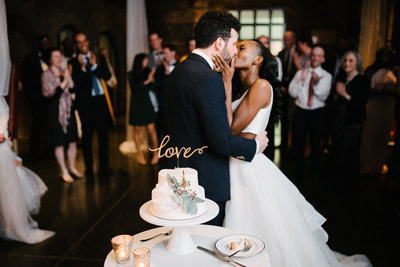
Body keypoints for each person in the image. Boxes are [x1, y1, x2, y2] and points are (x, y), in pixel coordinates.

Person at [214, 39, 371, 267]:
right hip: (238, 162)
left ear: (258, 60)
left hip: (248, 167)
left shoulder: (261, 86)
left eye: (242, 48)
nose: (235, 51)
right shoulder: (245, 89)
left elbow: (231, 128)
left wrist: (226, 82)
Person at [163, 11, 268, 226]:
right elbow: (220, 140)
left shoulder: (177, 72)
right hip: (204, 183)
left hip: (175, 174)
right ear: (219, 43)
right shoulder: (209, 79)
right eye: (234, 43)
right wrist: (255, 146)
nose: (234, 50)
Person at [0, 97, 55, 244]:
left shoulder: (2, 100)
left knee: (8, 190)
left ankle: (9, 226)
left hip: (3, 150)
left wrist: (6, 138)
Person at [69, 33, 111, 179]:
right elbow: (75, 85)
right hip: (85, 104)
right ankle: (89, 169)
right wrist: (83, 68)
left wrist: (93, 66)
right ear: (77, 45)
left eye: (84, 41)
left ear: (88, 42)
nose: (82, 44)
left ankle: (104, 168)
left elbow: (107, 76)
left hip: (101, 101)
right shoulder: (73, 62)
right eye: (79, 43)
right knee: (86, 138)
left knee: (103, 136)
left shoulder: (99, 57)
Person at [289, 46, 332, 183]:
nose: (315, 58)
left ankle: (315, 172)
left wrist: (315, 81)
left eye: (319, 55)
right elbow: (292, 93)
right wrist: (302, 80)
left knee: (316, 143)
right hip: (301, 111)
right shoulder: (300, 73)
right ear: (311, 56)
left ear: (323, 59)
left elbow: (322, 95)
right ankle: (298, 171)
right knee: (298, 143)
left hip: (317, 113)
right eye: (313, 55)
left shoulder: (326, 76)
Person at [330, 51, 370, 191]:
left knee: (351, 152)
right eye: (345, 60)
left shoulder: (363, 80)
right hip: (339, 120)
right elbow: (334, 101)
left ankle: (350, 185)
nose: (347, 63)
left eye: (351, 61)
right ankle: (338, 182)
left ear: (357, 64)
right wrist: (336, 96)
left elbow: (360, 103)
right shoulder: (341, 78)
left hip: (353, 121)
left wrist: (345, 95)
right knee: (338, 150)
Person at [41, 48, 82, 183]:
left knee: (73, 141)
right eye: (55, 57)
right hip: (55, 112)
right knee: (59, 143)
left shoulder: (65, 71)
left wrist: (68, 77)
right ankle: (63, 170)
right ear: (50, 59)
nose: (59, 59)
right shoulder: (46, 75)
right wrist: (64, 80)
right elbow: (49, 94)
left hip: (68, 111)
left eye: (60, 56)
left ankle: (72, 167)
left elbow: (72, 89)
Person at [360, 47, 398, 175]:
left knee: (382, 137)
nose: (385, 58)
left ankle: (378, 165)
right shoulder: (370, 71)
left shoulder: (395, 71)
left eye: (387, 55)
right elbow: (365, 89)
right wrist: (378, 91)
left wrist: (390, 92)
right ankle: (367, 165)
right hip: (373, 105)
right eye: (383, 55)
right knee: (369, 136)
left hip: (387, 107)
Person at [21, 35, 50, 159]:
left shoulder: (50, 57)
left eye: (46, 42)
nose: (45, 44)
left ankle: (49, 151)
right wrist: (31, 95)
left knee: (49, 124)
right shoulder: (30, 59)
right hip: (37, 97)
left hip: (50, 98)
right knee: (37, 123)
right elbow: (26, 78)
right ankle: (34, 152)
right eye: (42, 42)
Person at [128, 53, 159, 165]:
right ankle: (139, 154)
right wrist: (147, 80)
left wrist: (151, 78)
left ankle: (156, 154)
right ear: (140, 61)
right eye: (145, 60)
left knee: (151, 129)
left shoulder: (149, 71)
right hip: (136, 104)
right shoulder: (131, 74)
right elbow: (134, 88)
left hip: (147, 103)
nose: (147, 62)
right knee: (137, 130)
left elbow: (154, 87)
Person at [257, 35, 283, 161]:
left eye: (265, 43)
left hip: (269, 100)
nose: (263, 46)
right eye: (260, 43)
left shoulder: (275, 60)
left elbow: (278, 80)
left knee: (268, 136)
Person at [278, 30, 297, 148]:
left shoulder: (299, 54)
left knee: (293, 119)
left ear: (294, 40)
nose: (286, 42)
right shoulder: (281, 53)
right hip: (283, 90)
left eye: (289, 39)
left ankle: (293, 145)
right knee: (283, 118)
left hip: (295, 90)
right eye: (285, 39)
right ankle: (284, 144)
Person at [155, 44, 178, 140]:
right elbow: (158, 85)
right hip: (163, 104)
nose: (164, 55)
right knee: (162, 131)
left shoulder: (181, 66)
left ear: (173, 53)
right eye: (163, 53)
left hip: (177, 105)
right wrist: (165, 73)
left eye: (166, 53)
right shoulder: (160, 69)